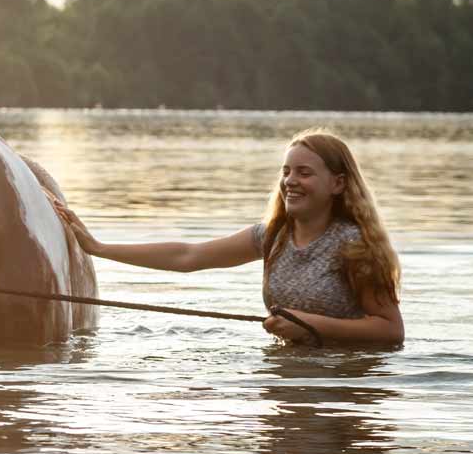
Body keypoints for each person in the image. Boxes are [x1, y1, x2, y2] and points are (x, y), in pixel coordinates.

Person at [55, 128, 404, 345]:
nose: (290, 181)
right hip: (286, 377)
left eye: (304, 172)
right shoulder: (272, 237)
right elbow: (188, 256)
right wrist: (97, 247)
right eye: (286, 172)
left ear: (338, 184)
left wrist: (316, 326)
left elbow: (390, 331)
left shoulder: (355, 246)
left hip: (346, 387)